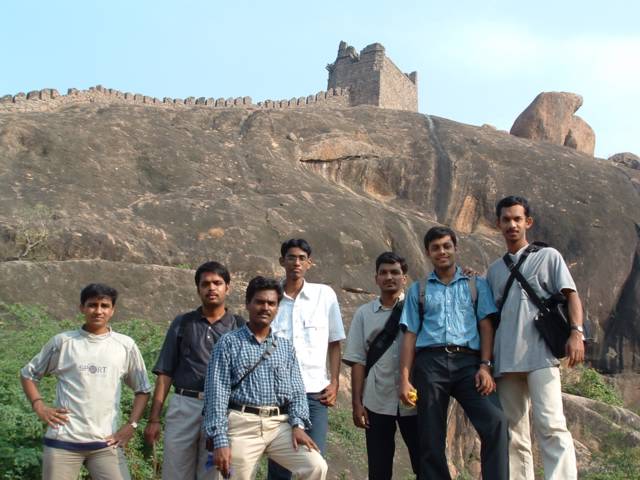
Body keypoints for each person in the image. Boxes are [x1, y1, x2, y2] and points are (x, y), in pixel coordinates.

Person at [486, 196, 585, 480]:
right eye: (506, 219)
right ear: (498, 224)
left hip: (541, 354)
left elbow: (571, 294)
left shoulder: (548, 256)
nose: (512, 225)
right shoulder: (494, 270)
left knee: (551, 425)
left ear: (528, 222)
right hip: (506, 358)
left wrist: (577, 332)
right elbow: (489, 318)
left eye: (517, 219)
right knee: (514, 434)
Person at [399, 227, 509, 480]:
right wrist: (404, 379)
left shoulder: (475, 284)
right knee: (430, 435)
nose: (442, 252)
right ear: (428, 252)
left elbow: (486, 326)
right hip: (430, 363)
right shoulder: (419, 289)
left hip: (469, 363)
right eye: (436, 247)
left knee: (496, 421)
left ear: (455, 248)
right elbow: (410, 335)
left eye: (447, 246)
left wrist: (485, 366)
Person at [20, 283, 152, 480]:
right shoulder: (63, 342)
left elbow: (143, 389)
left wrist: (131, 425)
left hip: (106, 444)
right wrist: (39, 406)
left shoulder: (125, 345)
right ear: (82, 308)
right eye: (92, 305)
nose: (98, 311)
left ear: (113, 310)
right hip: (63, 442)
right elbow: (28, 374)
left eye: (104, 306)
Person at [203, 276, 328, 480]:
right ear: (248, 304)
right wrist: (220, 440)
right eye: (260, 302)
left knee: (315, 466)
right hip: (242, 424)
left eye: (271, 303)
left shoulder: (285, 347)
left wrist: (298, 425)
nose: (265, 308)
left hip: (279, 425)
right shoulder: (228, 343)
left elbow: (297, 391)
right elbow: (217, 394)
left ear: (277, 308)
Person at [144, 261, 245, 479]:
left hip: (222, 409)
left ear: (227, 288)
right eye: (205, 284)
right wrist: (154, 419)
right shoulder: (183, 323)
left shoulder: (238, 327)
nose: (211, 288)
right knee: (175, 472)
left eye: (217, 283)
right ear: (198, 289)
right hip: (184, 405)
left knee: (213, 473)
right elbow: (165, 372)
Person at [267, 238, 345, 480]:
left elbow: (334, 342)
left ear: (310, 263)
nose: (296, 263)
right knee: (280, 466)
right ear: (282, 261)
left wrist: (334, 382)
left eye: (302, 258)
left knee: (314, 460)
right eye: (291, 257)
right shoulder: (271, 299)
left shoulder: (324, 295)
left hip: (315, 394)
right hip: (278, 395)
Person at [343, 252, 420, 480]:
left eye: (395, 272)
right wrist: (357, 404)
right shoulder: (364, 314)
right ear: (376, 278)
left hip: (414, 398)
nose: (389, 277)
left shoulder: (417, 308)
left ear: (404, 278)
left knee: (425, 463)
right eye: (383, 273)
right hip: (377, 399)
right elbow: (358, 360)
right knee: (379, 468)